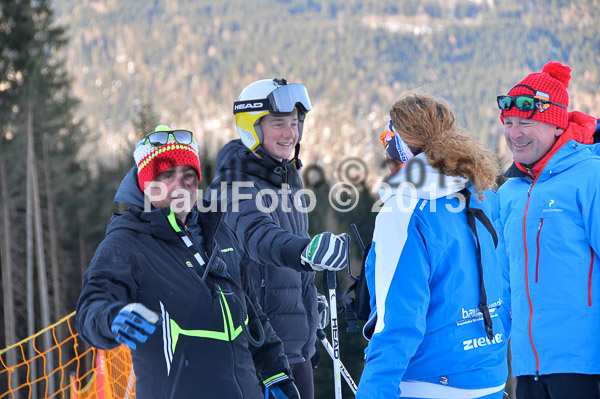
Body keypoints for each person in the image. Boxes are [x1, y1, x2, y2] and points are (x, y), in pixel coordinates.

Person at [76, 125, 301, 399]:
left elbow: (252, 315)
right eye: (166, 176)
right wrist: (111, 318)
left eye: (188, 175)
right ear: (146, 185)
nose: (179, 185)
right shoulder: (127, 243)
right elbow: (92, 305)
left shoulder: (219, 233)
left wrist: (275, 372)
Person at [356, 94, 510, 399]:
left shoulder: (404, 211)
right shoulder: (484, 194)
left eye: (388, 138)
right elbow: (504, 286)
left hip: (428, 384)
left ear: (401, 146)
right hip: (490, 378)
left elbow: (398, 322)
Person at [206, 78, 349, 399]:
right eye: (278, 123)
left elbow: (284, 268)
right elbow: (262, 239)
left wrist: (308, 309)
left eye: (295, 123)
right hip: (258, 358)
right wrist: (307, 251)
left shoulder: (287, 178)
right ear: (251, 127)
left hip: (297, 351)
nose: (290, 133)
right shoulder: (232, 187)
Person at [496, 61, 600, 398]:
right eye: (509, 123)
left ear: (556, 125)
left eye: (526, 122)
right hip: (527, 370)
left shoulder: (590, 177)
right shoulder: (509, 192)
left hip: (585, 367)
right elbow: (501, 284)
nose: (515, 134)